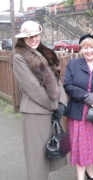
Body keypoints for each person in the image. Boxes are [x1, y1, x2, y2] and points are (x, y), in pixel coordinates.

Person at [13, 21, 67, 180]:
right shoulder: (19, 57)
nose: (33, 39)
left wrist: (62, 103)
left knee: (48, 155)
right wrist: (55, 106)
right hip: (35, 113)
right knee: (36, 159)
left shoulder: (46, 53)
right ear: (23, 38)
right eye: (29, 37)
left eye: (36, 35)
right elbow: (33, 88)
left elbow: (58, 80)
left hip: (51, 111)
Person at [63, 33, 93, 180]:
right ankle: (80, 177)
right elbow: (68, 86)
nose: (88, 51)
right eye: (85, 48)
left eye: (92, 47)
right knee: (79, 145)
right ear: (81, 50)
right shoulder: (73, 64)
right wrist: (86, 97)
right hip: (78, 112)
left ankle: (90, 173)